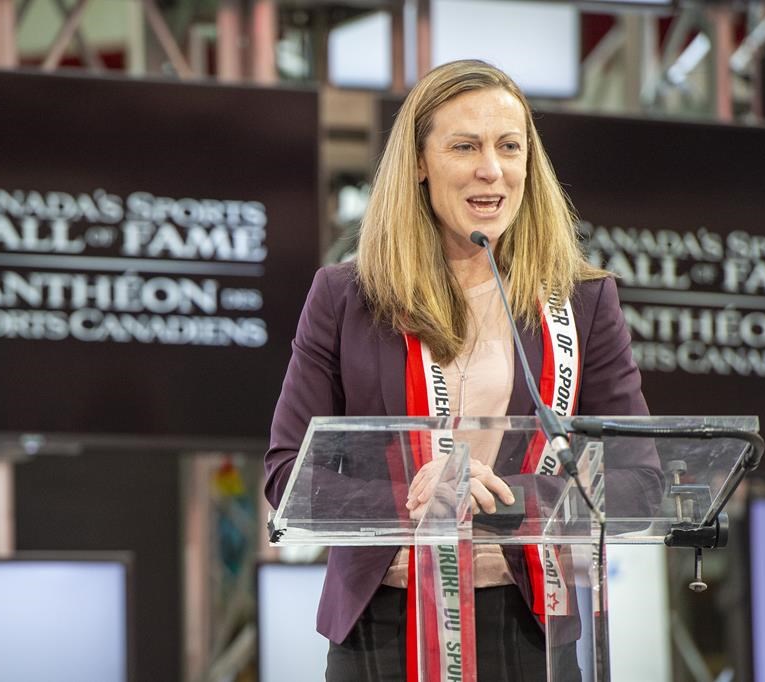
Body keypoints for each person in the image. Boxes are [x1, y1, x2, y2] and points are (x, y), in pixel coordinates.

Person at [263, 60, 663, 680]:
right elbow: (288, 478)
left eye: (509, 147)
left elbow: (641, 482)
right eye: (465, 147)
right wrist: (415, 496)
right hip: (382, 629)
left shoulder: (583, 302)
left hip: (531, 625)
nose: (492, 170)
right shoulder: (345, 296)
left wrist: (504, 503)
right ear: (419, 163)